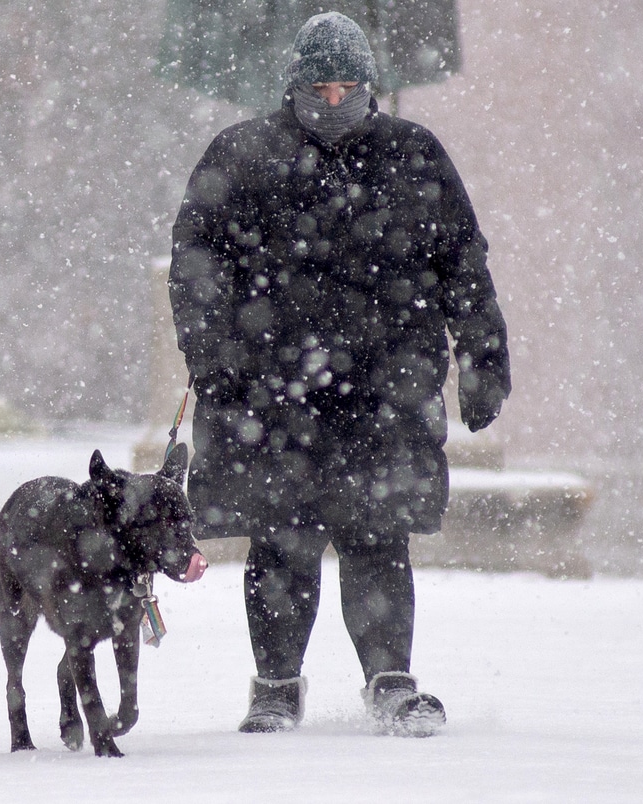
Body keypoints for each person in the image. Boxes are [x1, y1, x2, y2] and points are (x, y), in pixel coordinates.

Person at [168, 11, 510, 737]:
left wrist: (482, 358)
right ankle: (275, 686)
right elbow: (197, 271)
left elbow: (463, 266)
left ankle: (391, 680)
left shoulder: (413, 155)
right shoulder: (241, 155)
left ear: (369, 84)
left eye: (347, 87)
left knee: (378, 538)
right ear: (293, 83)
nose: (333, 102)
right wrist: (214, 360)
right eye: (319, 87)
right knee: (280, 542)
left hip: (384, 391)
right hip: (272, 394)